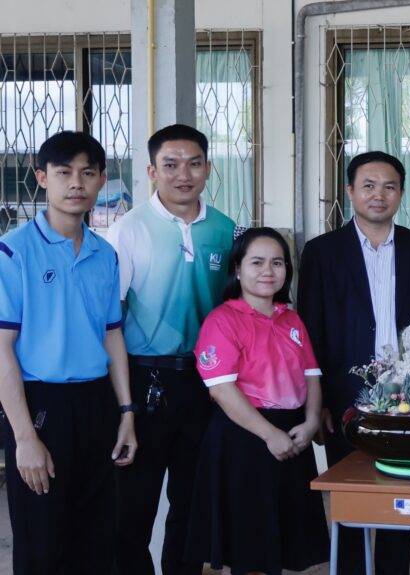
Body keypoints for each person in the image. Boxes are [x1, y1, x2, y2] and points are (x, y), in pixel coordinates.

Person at [297, 150, 410, 575]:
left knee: (402, 497)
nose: (379, 195)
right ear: (350, 191)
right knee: (351, 500)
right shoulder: (321, 252)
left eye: (389, 187)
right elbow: (310, 331)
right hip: (345, 397)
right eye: (369, 186)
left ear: (401, 193)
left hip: (409, 399)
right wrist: (318, 403)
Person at [0, 131, 137, 574]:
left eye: (87, 173)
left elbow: (112, 336)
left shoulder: (104, 254)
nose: (76, 183)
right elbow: (2, 350)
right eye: (64, 173)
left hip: (96, 402)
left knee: (97, 537)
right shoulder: (13, 251)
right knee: (42, 540)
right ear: (42, 177)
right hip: (41, 405)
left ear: (101, 180)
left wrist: (126, 412)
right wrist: (24, 437)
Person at [107, 124, 237, 575]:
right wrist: (122, 401)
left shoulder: (225, 229)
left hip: (206, 383)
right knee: (133, 505)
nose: (184, 174)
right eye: (171, 164)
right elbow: (110, 321)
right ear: (152, 171)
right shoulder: (128, 230)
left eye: (194, 164)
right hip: (145, 380)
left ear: (208, 168)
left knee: (192, 501)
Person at [185, 228, 329, 574]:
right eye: (257, 262)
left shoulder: (292, 318)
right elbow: (221, 390)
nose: (268, 271)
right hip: (245, 438)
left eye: (277, 263)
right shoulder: (222, 320)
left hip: (293, 434)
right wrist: (269, 435)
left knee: (281, 543)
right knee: (249, 547)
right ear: (237, 268)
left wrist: (311, 422)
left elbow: (311, 375)